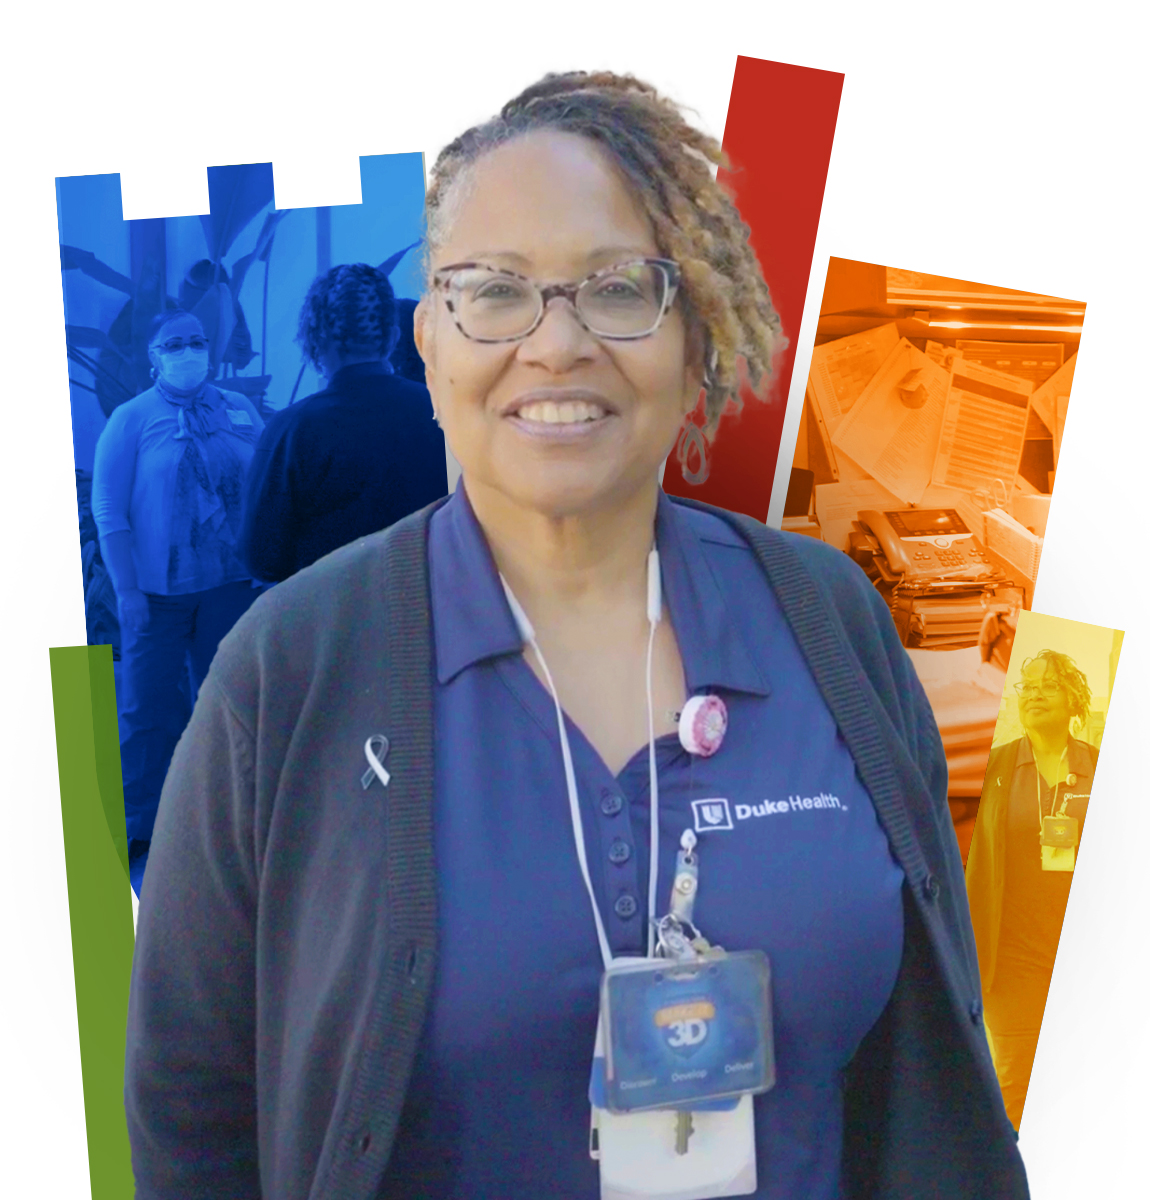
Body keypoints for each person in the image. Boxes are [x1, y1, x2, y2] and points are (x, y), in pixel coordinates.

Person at [125, 72, 1027, 1199]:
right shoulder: (287, 669)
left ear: (694, 331)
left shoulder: (828, 615)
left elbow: (933, 1047)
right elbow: (189, 1105)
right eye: (494, 292)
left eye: (616, 288)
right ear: (430, 345)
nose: (555, 344)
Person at [91, 309, 264, 896]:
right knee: (147, 712)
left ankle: (222, 824)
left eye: (196, 340)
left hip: (230, 588)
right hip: (156, 598)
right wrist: (127, 591)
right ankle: (139, 832)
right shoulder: (131, 420)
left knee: (228, 706)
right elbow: (109, 512)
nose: (188, 351)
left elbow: (264, 485)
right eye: (174, 343)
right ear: (154, 357)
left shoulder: (240, 411)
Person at [239, 264, 447, 583]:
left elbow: (262, 558)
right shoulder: (443, 411)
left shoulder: (293, 430)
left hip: (332, 620)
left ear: (314, 339)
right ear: (393, 336)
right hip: (430, 605)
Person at [966, 649, 1096, 1129]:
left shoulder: (1099, 767)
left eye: (1048, 685)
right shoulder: (996, 767)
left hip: (1083, 952)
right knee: (1016, 1084)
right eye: (1028, 686)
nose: (1035, 694)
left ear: (1072, 698)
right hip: (1013, 957)